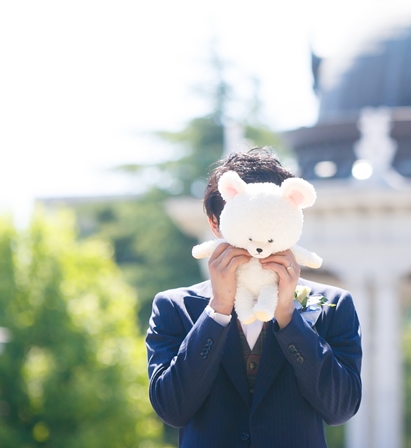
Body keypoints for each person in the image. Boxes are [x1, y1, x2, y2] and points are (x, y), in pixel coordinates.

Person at [146, 148, 362, 447]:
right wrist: (217, 310)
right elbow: (172, 408)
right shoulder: (174, 306)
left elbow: (341, 408)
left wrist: (289, 316)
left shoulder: (333, 305)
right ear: (214, 222)